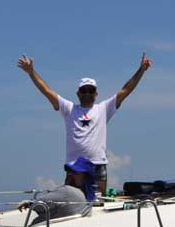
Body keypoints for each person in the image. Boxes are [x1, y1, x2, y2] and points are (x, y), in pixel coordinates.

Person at [17, 53, 153, 194]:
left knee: (97, 203)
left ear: (96, 94)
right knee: (72, 202)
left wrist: (141, 70)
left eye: (91, 90)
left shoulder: (103, 109)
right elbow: (47, 91)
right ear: (78, 93)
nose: (87, 93)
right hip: (74, 167)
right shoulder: (69, 109)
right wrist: (31, 72)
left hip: (97, 165)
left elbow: (126, 90)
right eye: (84, 90)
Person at [19, 157, 97, 225]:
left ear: (85, 178)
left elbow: (38, 205)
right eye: (68, 170)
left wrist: (28, 203)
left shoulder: (67, 191)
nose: (69, 174)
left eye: (75, 172)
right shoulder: (90, 198)